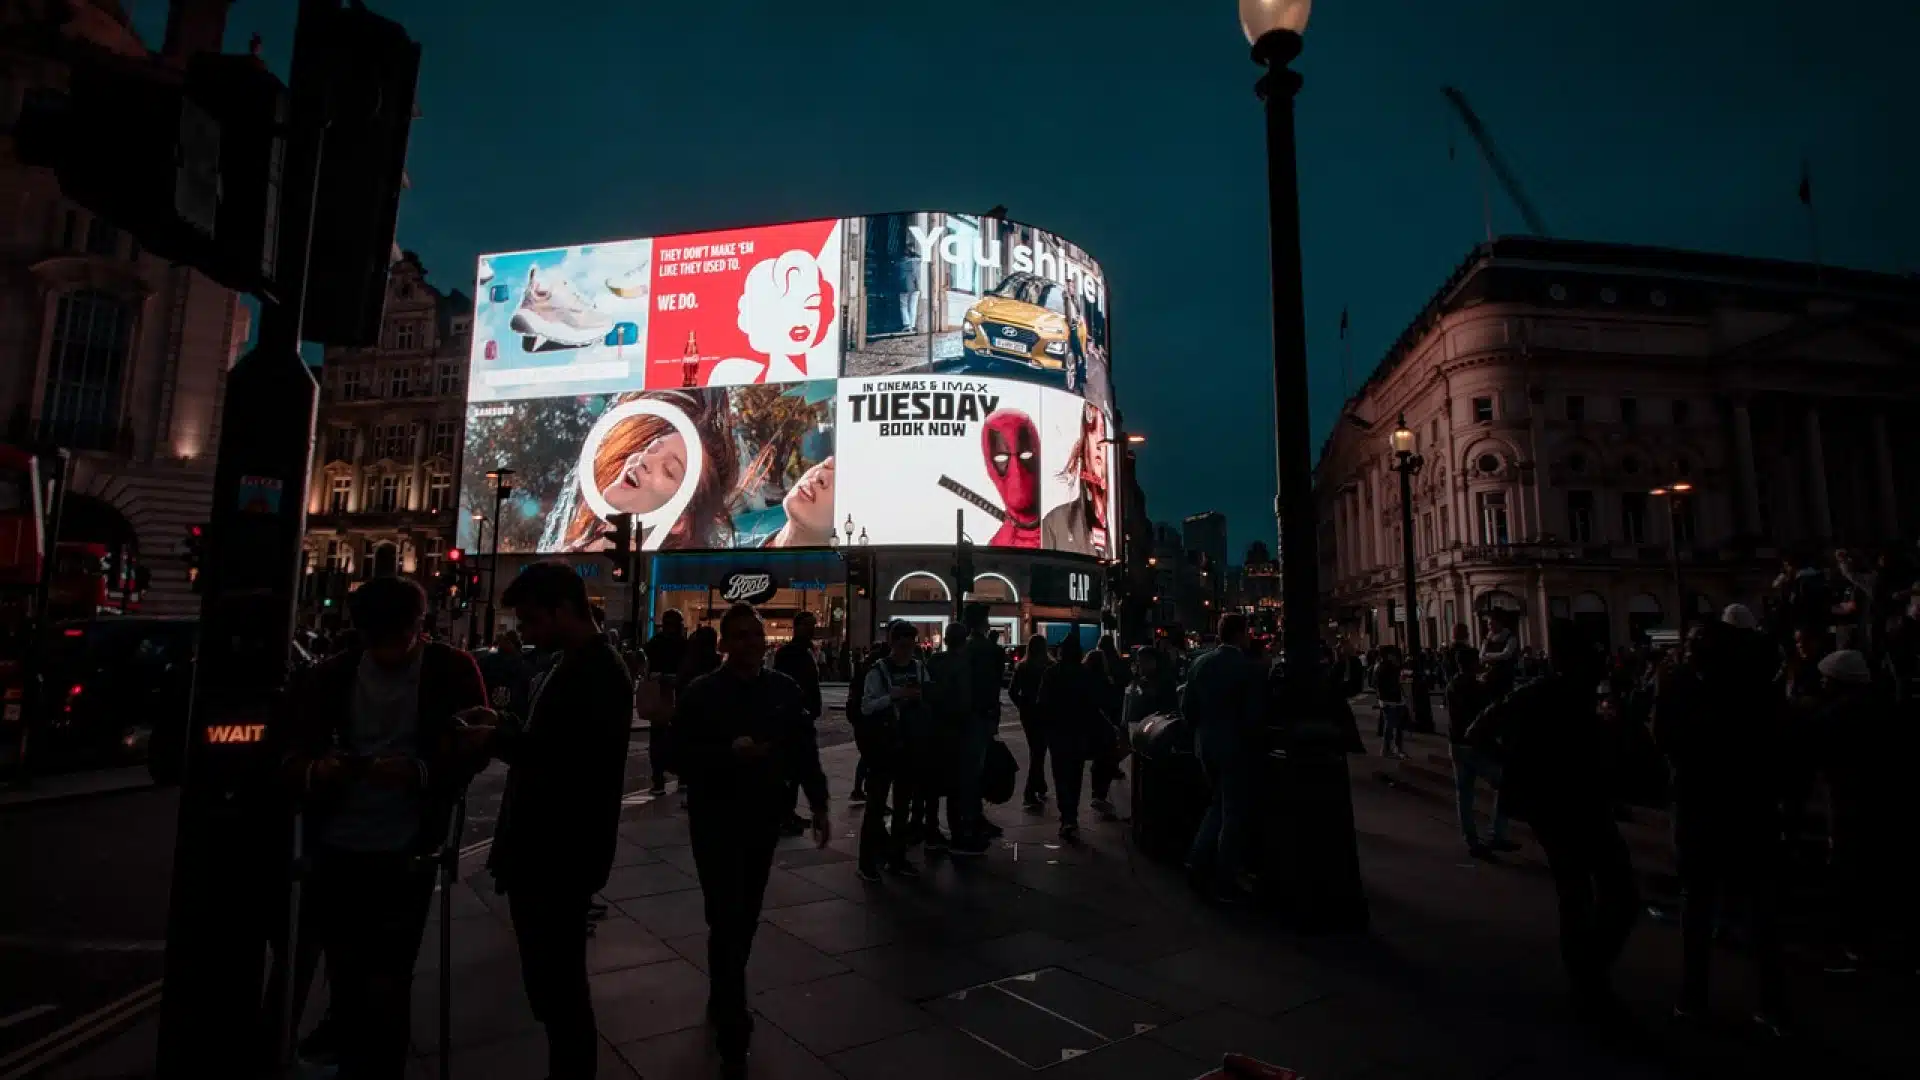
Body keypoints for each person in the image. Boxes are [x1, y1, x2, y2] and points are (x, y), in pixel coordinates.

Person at [281, 577, 491, 1080]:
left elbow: (475, 743)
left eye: (399, 635)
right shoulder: (332, 676)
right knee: (347, 969)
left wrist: (420, 773)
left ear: (419, 626)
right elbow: (293, 751)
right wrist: (321, 770)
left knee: (389, 974)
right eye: (379, 638)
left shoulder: (451, 670)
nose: (391, 650)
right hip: (336, 842)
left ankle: (378, 1066)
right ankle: (354, 1054)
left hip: (409, 845)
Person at [478, 563, 634, 1079]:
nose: (523, 632)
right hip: (550, 851)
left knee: (559, 991)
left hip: (559, 854)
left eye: (529, 620)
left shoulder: (596, 670)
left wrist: (495, 738)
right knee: (551, 989)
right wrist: (503, 724)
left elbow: (563, 761)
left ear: (563, 610)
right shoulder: (571, 662)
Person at [673, 604, 829, 1076]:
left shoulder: (783, 691)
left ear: (765, 641)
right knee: (725, 914)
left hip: (763, 819)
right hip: (715, 819)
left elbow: (804, 750)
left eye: (753, 635)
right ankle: (732, 1028)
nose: (747, 643)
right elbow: (680, 754)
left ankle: (724, 985)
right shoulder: (702, 693)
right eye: (737, 635)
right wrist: (727, 754)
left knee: (744, 915)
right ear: (724, 643)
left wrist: (819, 803)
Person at [1468, 620, 1637, 1019]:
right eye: (1593, 656)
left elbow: (1481, 731)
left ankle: (1586, 969)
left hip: (1575, 806)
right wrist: (1518, 764)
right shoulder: (1543, 695)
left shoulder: (1583, 697)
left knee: (1589, 893)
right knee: (1590, 891)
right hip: (1565, 808)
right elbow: (1479, 730)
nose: (1601, 664)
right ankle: (1587, 974)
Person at [1653, 618, 1790, 1034]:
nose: (1689, 649)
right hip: (1750, 805)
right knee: (1758, 909)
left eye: (1695, 644)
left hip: (1702, 805)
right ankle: (1769, 1002)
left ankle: (1695, 997)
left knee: (1698, 905)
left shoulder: (1680, 687)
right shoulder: (1755, 688)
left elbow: (1663, 739)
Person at [1181, 614, 1263, 903]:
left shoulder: (1200, 663)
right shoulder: (1247, 668)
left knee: (1216, 804)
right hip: (1235, 746)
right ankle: (1224, 878)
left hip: (1205, 743)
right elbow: (1253, 716)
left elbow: (1187, 708)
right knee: (1233, 813)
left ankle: (1196, 861)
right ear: (1241, 634)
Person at [856, 620, 933, 881]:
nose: (907, 650)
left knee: (903, 805)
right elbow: (867, 706)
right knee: (876, 803)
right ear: (892, 644)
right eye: (902, 645)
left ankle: (896, 857)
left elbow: (928, 695)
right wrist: (896, 695)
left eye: (911, 645)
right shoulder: (878, 671)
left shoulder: (918, 667)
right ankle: (867, 862)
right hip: (885, 746)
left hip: (909, 744)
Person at [1443, 636, 1513, 859]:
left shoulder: (1453, 684)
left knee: (1464, 793)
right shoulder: (1476, 687)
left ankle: (1471, 839)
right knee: (1503, 785)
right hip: (1474, 745)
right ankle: (1496, 833)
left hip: (1456, 743)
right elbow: (1486, 717)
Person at [947, 603, 1007, 852]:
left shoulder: (968, 649)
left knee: (970, 772)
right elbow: (991, 684)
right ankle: (969, 823)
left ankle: (971, 820)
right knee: (971, 773)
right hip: (978, 716)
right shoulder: (983, 649)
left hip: (969, 716)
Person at [1036, 636, 1107, 843]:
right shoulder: (1085, 674)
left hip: (1057, 731)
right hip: (1079, 730)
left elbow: (1042, 703)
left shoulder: (1051, 673)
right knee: (1075, 774)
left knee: (1060, 774)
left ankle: (1066, 816)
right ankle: (1072, 816)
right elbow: (1094, 703)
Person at [920, 622, 976, 853]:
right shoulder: (963, 665)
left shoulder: (934, 661)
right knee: (955, 784)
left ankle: (931, 828)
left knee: (933, 785)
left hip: (934, 729)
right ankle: (957, 831)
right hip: (955, 729)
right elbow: (965, 699)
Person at [772, 610, 824, 837]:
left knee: (798, 770)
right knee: (791, 771)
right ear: (797, 627)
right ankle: (783, 815)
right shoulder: (790, 652)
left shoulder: (806, 650)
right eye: (807, 625)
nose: (812, 629)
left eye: (813, 625)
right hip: (792, 717)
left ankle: (788, 812)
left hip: (804, 715)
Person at [641, 611, 690, 795]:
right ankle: (682, 778)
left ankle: (658, 779)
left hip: (660, 694)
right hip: (679, 695)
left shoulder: (654, 644)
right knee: (681, 737)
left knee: (657, 738)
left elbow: (645, 666)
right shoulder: (684, 645)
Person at [1082, 647, 1127, 819]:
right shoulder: (1104, 681)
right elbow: (1111, 703)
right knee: (1106, 758)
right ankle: (1099, 794)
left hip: (1088, 725)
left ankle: (1097, 794)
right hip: (1103, 726)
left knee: (1098, 760)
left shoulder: (1084, 680)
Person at [1009, 636, 1052, 811]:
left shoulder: (1023, 667)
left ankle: (1039, 785)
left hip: (1028, 713)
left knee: (1036, 749)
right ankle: (1030, 791)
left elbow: (1012, 691)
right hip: (1044, 712)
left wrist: (1022, 705)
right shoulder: (1048, 667)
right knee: (1039, 751)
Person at [847, 641, 888, 805]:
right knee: (872, 758)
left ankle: (859, 790)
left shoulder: (864, 670)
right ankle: (872, 797)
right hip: (869, 720)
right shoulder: (874, 672)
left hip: (860, 719)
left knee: (867, 757)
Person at [1372, 646, 1408, 758]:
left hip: (1390, 699)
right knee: (1392, 725)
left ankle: (1392, 748)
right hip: (1391, 699)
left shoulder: (1382, 666)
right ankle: (1389, 749)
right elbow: (1390, 683)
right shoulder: (1386, 667)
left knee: (1394, 725)